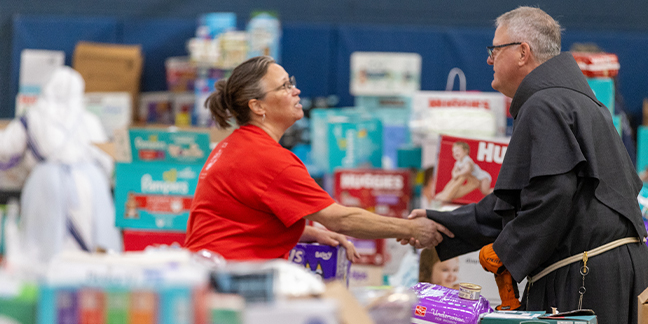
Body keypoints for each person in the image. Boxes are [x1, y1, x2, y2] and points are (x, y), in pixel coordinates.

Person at [401, 6, 648, 323]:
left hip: (584, 278)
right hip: (614, 270)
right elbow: (522, 199)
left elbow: (552, 195)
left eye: (495, 50)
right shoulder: (575, 100)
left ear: (522, 52)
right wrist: (439, 220)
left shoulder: (544, 103)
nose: (489, 59)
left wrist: (505, 251)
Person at [184, 56, 453, 261]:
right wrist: (411, 229)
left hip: (208, 272)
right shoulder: (267, 158)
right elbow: (341, 219)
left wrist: (307, 232)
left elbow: (238, 222)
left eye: (292, 82)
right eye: (284, 86)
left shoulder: (235, 145)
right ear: (258, 106)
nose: (296, 91)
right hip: (225, 283)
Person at [0, 66, 122, 264]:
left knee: (46, 248)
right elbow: (106, 162)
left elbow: (5, 148)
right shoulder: (90, 120)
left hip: (47, 183)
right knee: (90, 245)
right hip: (92, 184)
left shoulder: (33, 117)